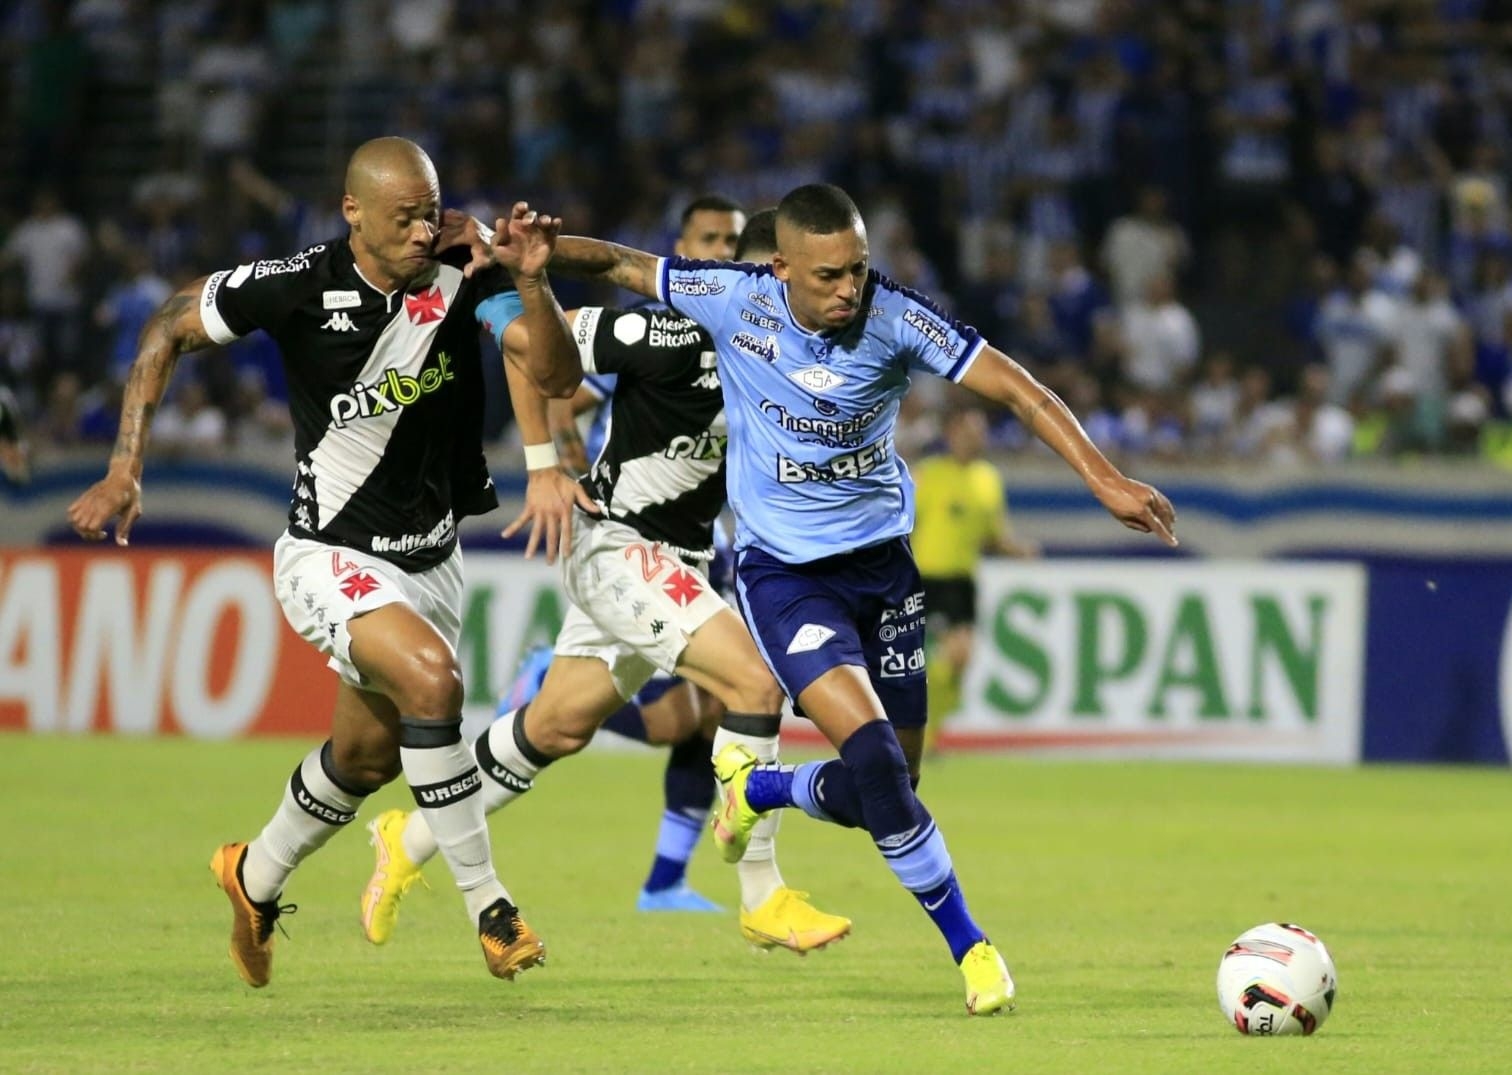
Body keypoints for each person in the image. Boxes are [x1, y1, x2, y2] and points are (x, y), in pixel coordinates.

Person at [543, 183, 1177, 1016]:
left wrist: (1105, 478)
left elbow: (1017, 387)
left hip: (885, 570)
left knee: (895, 786)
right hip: (787, 577)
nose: (851, 289)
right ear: (782, 270)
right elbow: (623, 262)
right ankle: (973, 949)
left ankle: (761, 790)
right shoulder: (733, 297)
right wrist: (527, 251)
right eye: (832, 275)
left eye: (861, 269)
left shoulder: (897, 316)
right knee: (876, 760)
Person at [65, 137, 580, 988]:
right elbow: (167, 323)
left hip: (432, 561)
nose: (424, 230)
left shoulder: (465, 266)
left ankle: (254, 876)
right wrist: (127, 464)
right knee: (435, 683)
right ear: (354, 213)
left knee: (367, 758)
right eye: (404, 216)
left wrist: (529, 276)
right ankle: (491, 908)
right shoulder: (298, 284)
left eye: (431, 209)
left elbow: (553, 373)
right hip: (328, 554)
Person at [363, 204, 850, 954]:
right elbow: (538, 351)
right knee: (752, 686)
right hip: (621, 546)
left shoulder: (805, 364)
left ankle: (411, 836)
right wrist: (545, 462)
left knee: (555, 724)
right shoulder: (670, 334)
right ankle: (764, 894)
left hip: (678, 557)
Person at [912, 405, 1038, 747]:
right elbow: (902, 523)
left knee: (960, 659)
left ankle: (927, 734)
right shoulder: (927, 474)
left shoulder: (988, 478)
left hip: (962, 581)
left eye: (980, 433)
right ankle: (912, 733)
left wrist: (1017, 550)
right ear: (952, 433)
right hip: (925, 577)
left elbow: (993, 536)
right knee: (917, 661)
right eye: (968, 432)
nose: (975, 439)